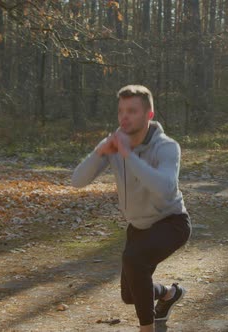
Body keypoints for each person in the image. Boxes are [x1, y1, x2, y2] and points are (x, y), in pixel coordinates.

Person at [71, 85, 191, 332]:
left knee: (133, 260)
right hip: (138, 228)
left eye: (132, 111)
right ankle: (169, 294)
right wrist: (99, 151)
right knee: (130, 295)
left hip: (172, 223)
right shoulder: (115, 144)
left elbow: (166, 189)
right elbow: (77, 181)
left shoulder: (167, 147)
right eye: (121, 111)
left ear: (149, 114)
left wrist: (128, 156)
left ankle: (146, 329)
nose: (125, 117)